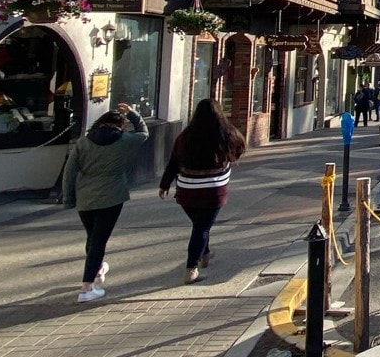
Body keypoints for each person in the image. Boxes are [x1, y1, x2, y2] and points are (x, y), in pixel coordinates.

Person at [63, 103, 148, 303]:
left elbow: (69, 170)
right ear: (120, 126)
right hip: (112, 196)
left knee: (93, 237)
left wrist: (68, 197)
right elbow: (144, 133)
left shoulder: (83, 142)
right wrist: (134, 114)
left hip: (85, 196)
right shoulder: (124, 140)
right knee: (98, 241)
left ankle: (98, 269)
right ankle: (87, 287)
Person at [158, 99, 247, 285]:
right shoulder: (226, 133)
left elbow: (174, 161)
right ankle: (191, 269)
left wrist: (165, 184)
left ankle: (205, 253)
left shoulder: (186, 136)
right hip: (213, 189)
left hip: (187, 190)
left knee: (200, 224)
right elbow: (241, 146)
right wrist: (229, 158)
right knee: (201, 227)